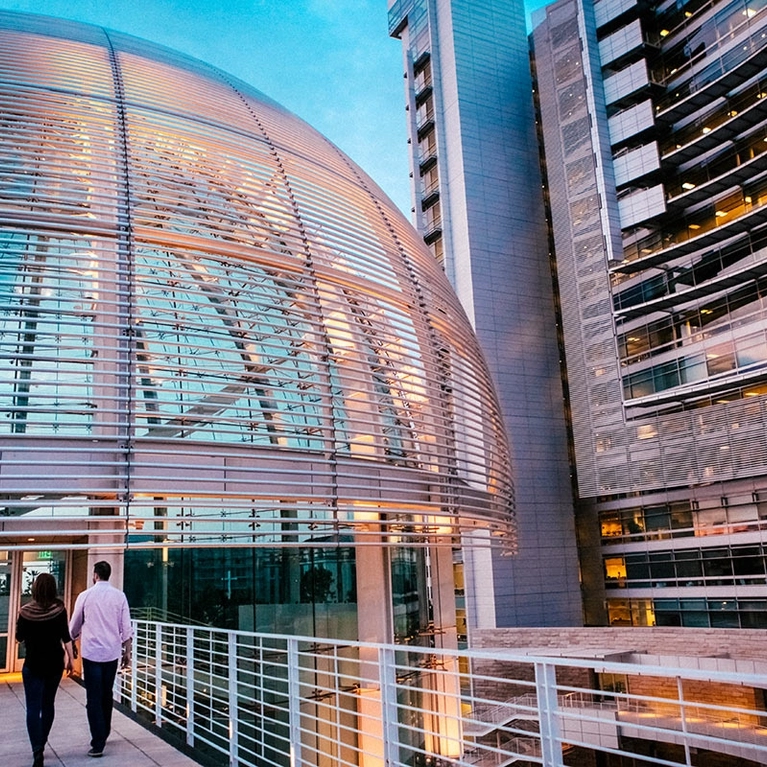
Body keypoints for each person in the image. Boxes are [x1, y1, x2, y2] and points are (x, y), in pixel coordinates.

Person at [69, 560, 133, 758]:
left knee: (93, 697)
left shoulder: (85, 596)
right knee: (106, 694)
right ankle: (104, 732)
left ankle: (97, 742)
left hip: (91, 653)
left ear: (95, 575)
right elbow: (126, 627)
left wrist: (73, 639)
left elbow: (74, 626)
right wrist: (127, 652)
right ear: (109, 575)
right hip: (111, 653)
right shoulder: (119, 596)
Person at [15, 573, 75, 767]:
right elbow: (66, 637)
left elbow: (18, 638)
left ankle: (36, 750)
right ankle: (42, 742)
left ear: (35, 588)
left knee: (32, 708)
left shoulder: (25, 611)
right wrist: (71, 661)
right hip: (54, 664)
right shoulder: (59, 609)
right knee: (48, 704)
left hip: (32, 664)